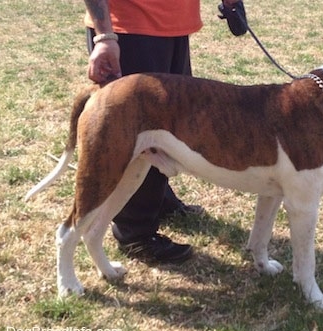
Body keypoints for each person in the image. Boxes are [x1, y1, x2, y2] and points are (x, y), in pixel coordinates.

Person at [83, 0, 246, 263]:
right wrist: (104, 36)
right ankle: (134, 233)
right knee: (135, 133)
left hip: (173, 27)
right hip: (127, 29)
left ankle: (159, 201)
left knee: (169, 128)